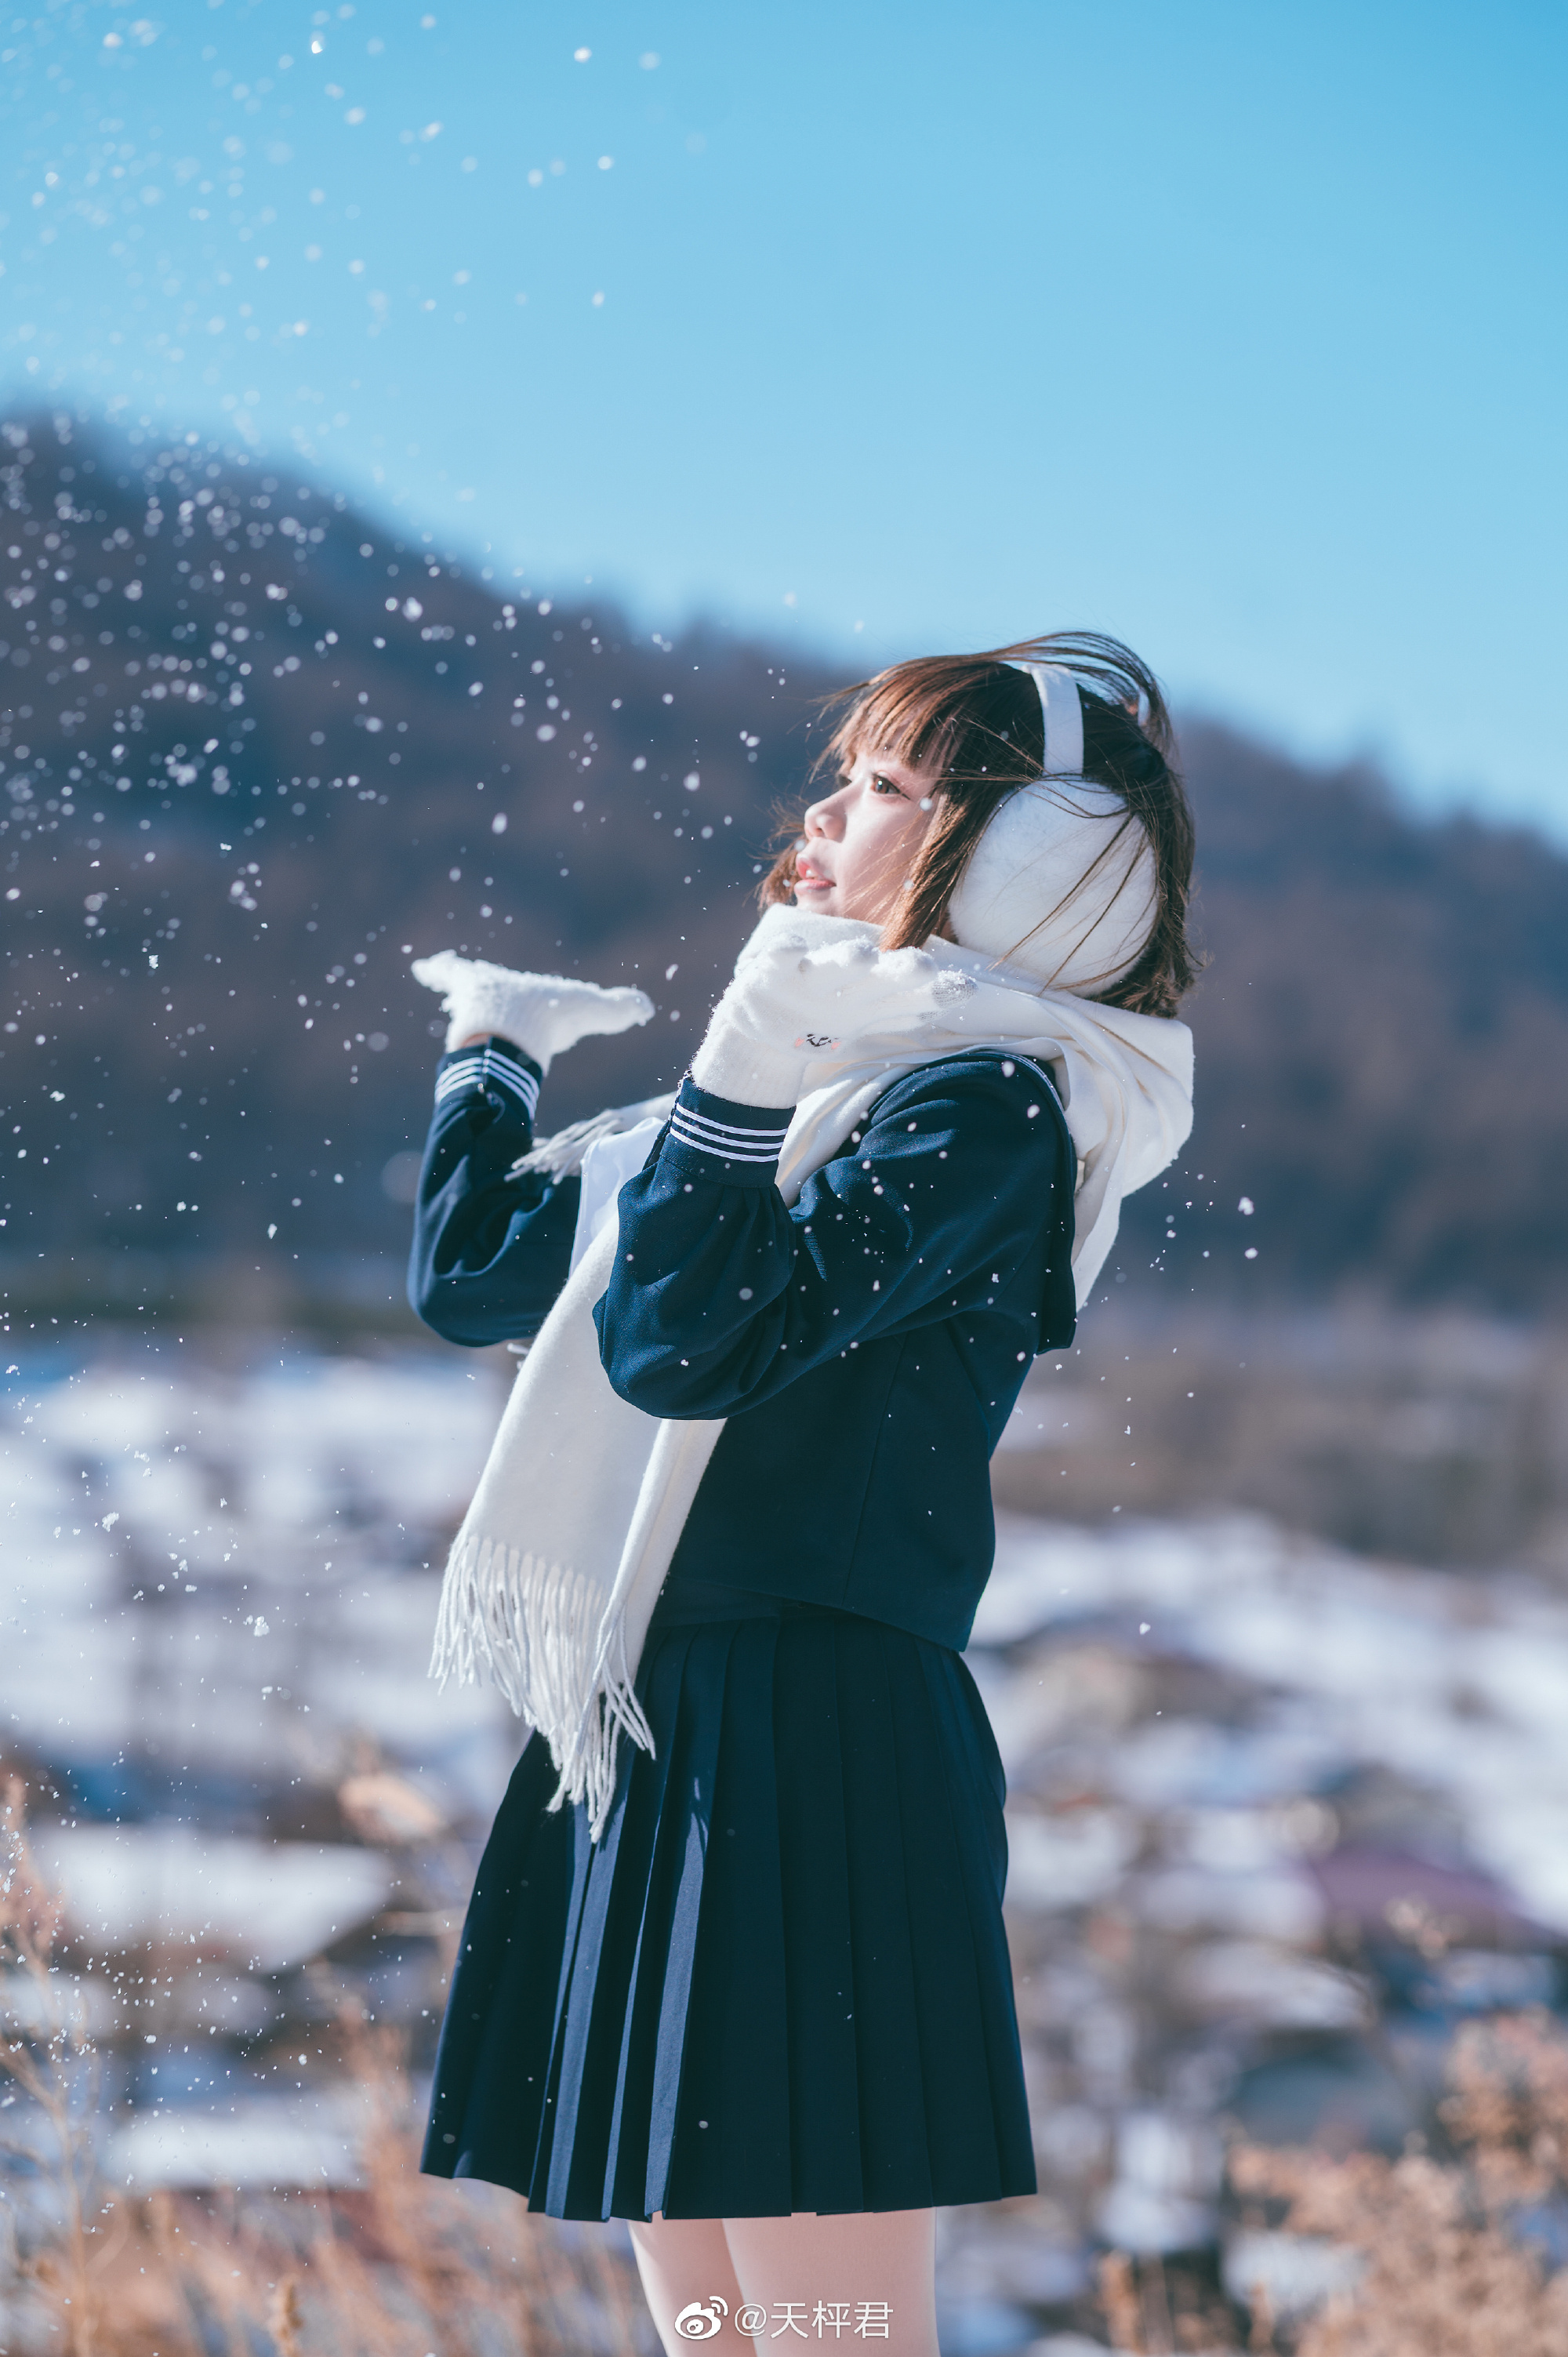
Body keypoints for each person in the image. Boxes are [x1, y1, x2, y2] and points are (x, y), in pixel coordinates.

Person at [405, 631, 1196, 2356]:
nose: (826, 815)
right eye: (844, 776)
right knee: (712, 2334)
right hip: (646, 1708)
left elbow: (683, 1346)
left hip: (819, 1731)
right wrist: (496, 1048)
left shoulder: (983, 1111)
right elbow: (476, 1282)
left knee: (835, 2341)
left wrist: (737, 1076)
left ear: (1029, 858)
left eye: (891, 787)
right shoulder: (805, 1089)